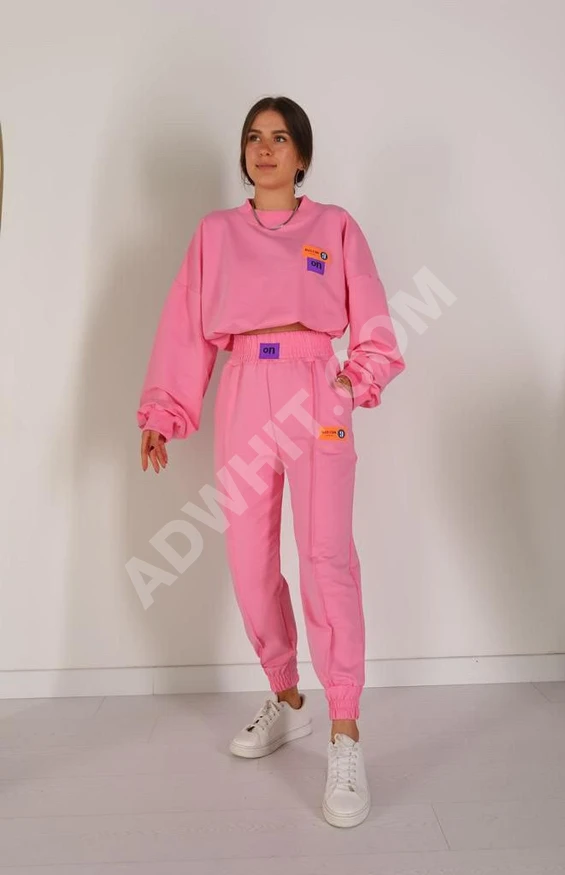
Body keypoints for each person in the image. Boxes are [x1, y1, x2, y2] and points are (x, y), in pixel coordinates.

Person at [137, 95, 406, 828]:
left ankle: (344, 730)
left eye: (279, 138)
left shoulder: (334, 226)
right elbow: (187, 325)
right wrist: (164, 411)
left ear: (302, 155)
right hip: (245, 386)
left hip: (317, 387)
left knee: (325, 558)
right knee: (249, 563)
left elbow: (371, 313)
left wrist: (355, 380)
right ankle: (287, 697)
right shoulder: (215, 233)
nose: (264, 149)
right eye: (254, 137)